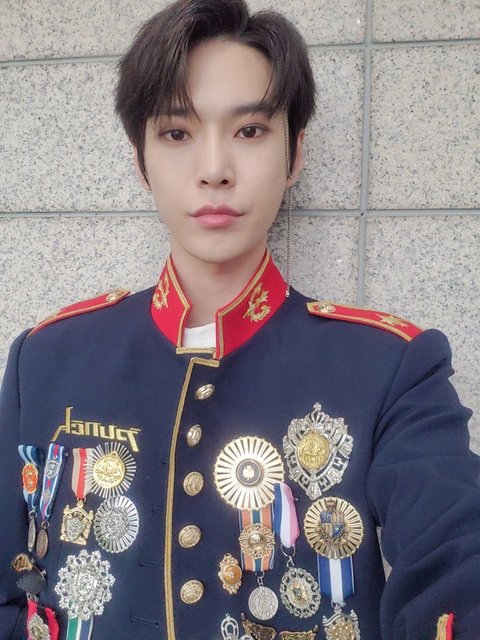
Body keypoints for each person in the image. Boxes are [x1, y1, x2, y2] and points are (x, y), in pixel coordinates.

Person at [0, 1, 479, 639]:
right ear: (141, 161)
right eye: (177, 133)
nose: (214, 170)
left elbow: (455, 558)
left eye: (249, 130)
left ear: (294, 154)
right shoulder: (47, 359)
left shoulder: (389, 367)